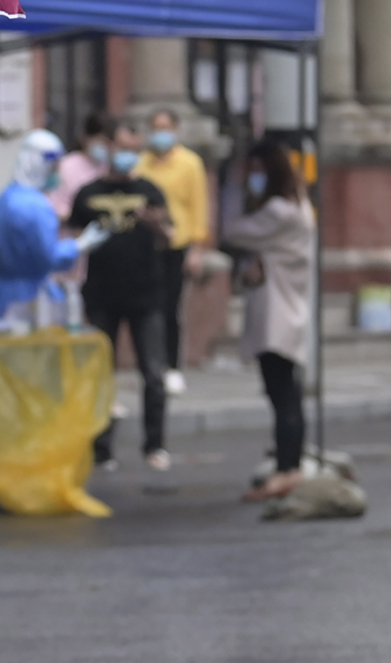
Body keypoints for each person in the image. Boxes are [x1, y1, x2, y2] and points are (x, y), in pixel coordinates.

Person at [69, 122, 172, 472]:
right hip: (101, 293)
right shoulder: (87, 193)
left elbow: (168, 237)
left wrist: (155, 223)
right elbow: (72, 234)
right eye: (123, 147)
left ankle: (155, 445)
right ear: (109, 147)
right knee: (101, 374)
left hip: (146, 293)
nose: (128, 156)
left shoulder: (150, 191)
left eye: (134, 149)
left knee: (153, 373)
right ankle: (101, 448)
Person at [222, 140, 314, 500]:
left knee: (283, 395)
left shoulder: (279, 211)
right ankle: (288, 466)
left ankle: (287, 469)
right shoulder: (298, 207)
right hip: (286, 308)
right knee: (285, 393)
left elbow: (235, 231)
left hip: (278, 313)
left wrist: (233, 192)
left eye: (255, 171)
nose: (251, 178)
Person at [0, 129, 110, 328]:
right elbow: (49, 257)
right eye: (55, 167)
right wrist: (80, 245)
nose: (58, 174)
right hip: (31, 302)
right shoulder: (37, 207)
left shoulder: (3, 199)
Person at [134, 108, 211, 396]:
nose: (160, 134)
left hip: (177, 244)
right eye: (155, 127)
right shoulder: (143, 164)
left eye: (165, 128)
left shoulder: (189, 164)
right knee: (150, 308)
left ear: (176, 130)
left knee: (171, 308)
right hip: (147, 246)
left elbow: (198, 206)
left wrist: (196, 249)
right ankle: (152, 364)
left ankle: (172, 365)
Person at [47, 113, 114, 222]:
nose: (105, 147)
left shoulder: (110, 167)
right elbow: (56, 209)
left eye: (109, 143)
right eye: (101, 141)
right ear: (85, 138)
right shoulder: (67, 167)